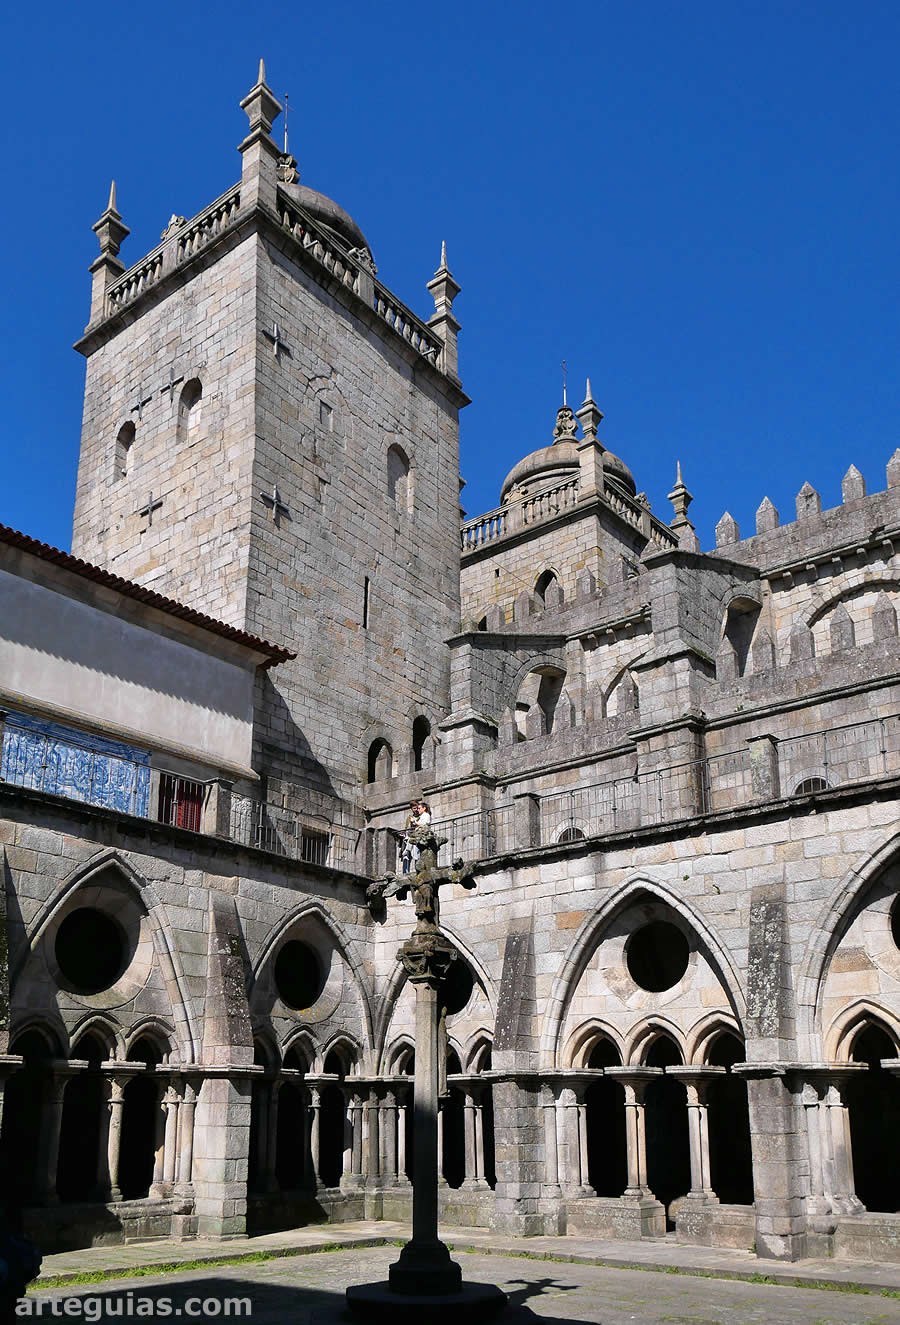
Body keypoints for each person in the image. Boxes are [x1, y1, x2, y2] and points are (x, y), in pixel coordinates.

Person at [400, 801, 419, 874]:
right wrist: (404, 833)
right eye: (414, 808)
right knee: (406, 855)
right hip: (409, 837)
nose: (416, 809)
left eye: (417, 808)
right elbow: (406, 827)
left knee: (416, 855)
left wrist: (414, 822)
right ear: (411, 809)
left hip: (416, 837)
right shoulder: (409, 817)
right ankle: (405, 872)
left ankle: (418, 871)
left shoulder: (421, 816)